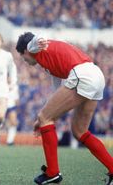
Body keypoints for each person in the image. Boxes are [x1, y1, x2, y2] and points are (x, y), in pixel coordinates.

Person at [16, 32, 113, 185]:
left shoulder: (33, 47)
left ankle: (52, 173)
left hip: (83, 75)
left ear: (26, 51)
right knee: (79, 131)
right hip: (96, 75)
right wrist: (44, 117)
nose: (25, 61)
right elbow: (57, 94)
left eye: (23, 57)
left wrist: (39, 40)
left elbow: (35, 39)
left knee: (45, 118)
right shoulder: (48, 63)